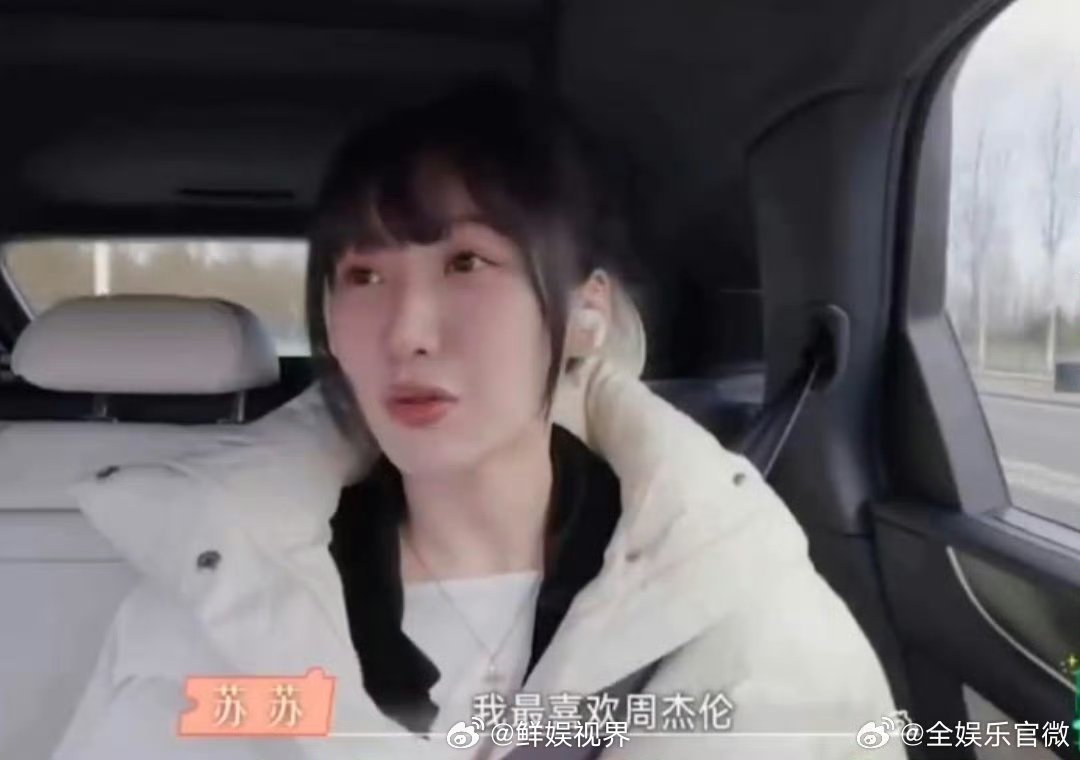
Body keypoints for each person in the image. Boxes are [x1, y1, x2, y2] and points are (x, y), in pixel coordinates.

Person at [54, 82, 904, 760]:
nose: (407, 333)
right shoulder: (214, 606)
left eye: (466, 262)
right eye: (363, 277)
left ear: (586, 315)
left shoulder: (740, 601)